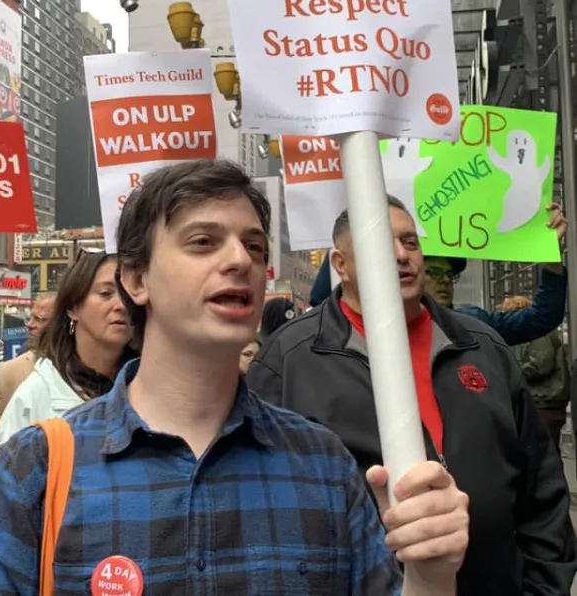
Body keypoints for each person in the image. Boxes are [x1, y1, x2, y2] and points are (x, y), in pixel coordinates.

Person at [0, 160, 469, 595]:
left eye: (254, 246)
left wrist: (430, 575)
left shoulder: (323, 465)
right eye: (203, 242)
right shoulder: (34, 470)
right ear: (136, 279)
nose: (239, 260)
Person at [247, 196, 577, 596]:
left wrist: (543, 588)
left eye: (410, 242)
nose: (401, 255)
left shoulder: (481, 344)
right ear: (340, 265)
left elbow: (541, 488)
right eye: (379, 243)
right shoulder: (289, 360)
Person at [308, 203, 568, 347]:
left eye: (449, 274)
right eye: (434, 271)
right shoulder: (354, 332)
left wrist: (551, 260)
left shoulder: (472, 325)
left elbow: (541, 318)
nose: (444, 280)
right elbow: (321, 298)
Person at [0, 252, 132, 458]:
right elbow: (1, 484)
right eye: (105, 293)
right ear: (72, 307)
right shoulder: (37, 394)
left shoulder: (152, 386)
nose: (121, 305)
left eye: (128, 293)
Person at [0, 293, 56, 449]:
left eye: (40, 319)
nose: (29, 325)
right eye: (30, 318)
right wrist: (20, 440)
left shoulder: (91, 367)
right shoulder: (10, 370)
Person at [501, 295, 570, 452]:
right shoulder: (534, 333)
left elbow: (541, 365)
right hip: (544, 401)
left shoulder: (537, 333)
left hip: (545, 401)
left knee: (545, 453)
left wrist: (512, 372)